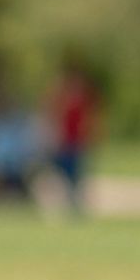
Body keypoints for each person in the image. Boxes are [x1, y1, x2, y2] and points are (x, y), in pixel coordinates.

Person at [45, 62, 99, 214]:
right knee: (64, 172)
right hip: (64, 142)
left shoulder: (81, 102)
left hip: (76, 142)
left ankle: (75, 203)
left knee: (75, 174)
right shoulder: (61, 100)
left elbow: (88, 122)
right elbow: (54, 118)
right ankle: (70, 201)